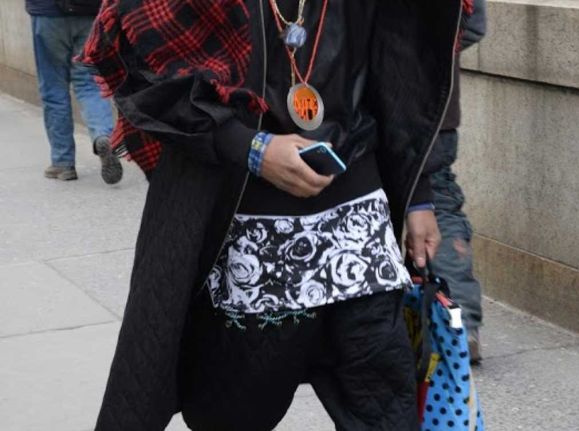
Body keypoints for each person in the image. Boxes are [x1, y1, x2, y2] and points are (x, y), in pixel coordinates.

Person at [79, 0, 469, 429]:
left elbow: (399, 68)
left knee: (385, 406)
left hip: (359, 226)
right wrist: (250, 147)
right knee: (232, 411)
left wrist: (419, 197)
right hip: (249, 234)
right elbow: (144, 77)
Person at [428, 0, 487, 364]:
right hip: (438, 110)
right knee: (441, 208)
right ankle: (462, 327)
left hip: (370, 105)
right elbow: (474, 25)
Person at [26, 0, 122, 183]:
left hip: (48, 14)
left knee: (53, 89)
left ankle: (63, 162)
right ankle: (103, 135)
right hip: (89, 13)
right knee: (90, 84)